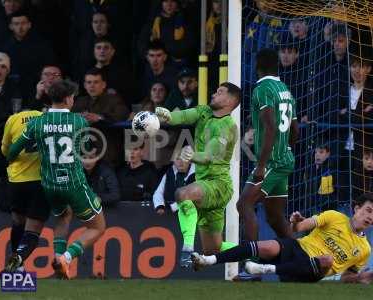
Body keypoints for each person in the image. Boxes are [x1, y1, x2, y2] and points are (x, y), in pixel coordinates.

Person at [7, 79, 106, 279]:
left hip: (50, 186)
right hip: (74, 184)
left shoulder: (37, 123)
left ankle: (58, 256)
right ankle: (67, 258)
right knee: (98, 227)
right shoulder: (79, 121)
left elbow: (12, 151)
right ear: (68, 99)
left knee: (64, 215)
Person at [192, 193, 373, 284]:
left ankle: (262, 269)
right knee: (268, 246)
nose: (370, 217)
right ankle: (207, 260)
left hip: (311, 271)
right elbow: (299, 228)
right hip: (298, 248)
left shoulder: (364, 249)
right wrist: (296, 222)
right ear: (356, 208)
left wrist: (359, 278)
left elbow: (346, 277)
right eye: (368, 210)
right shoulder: (334, 216)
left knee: (327, 259)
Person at [155, 82, 240, 268]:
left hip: (218, 185)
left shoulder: (228, 126)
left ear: (230, 101)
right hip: (204, 186)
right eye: (215, 90)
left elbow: (209, 156)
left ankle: (186, 249)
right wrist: (167, 116)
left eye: (220, 92)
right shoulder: (204, 111)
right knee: (213, 250)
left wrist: (191, 155)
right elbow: (184, 115)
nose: (214, 94)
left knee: (181, 194)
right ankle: (256, 254)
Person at [237, 48, 299, 242]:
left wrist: (262, 165)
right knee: (274, 217)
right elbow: (295, 130)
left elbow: (271, 127)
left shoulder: (262, 89)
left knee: (244, 205)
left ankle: (252, 262)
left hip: (272, 161)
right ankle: (299, 259)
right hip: (284, 158)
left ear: (257, 66)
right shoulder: (285, 91)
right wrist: (286, 149)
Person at [1, 109, 51, 272]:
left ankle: (18, 269)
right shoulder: (45, 118)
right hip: (40, 181)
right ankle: (15, 263)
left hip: (17, 181)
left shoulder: (13, 119)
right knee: (32, 232)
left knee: (18, 222)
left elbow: (5, 150)